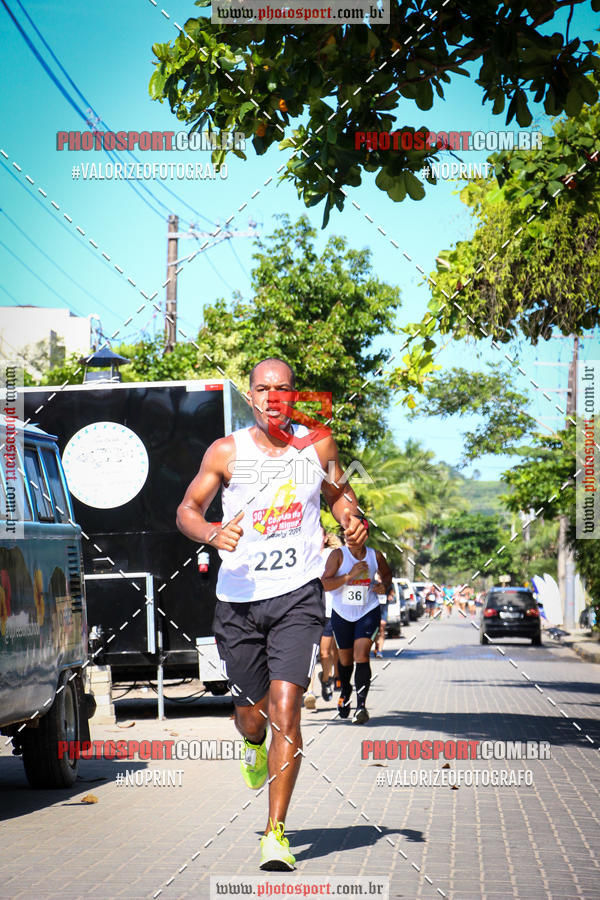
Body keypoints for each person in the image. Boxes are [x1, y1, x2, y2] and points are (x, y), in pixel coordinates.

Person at [176, 357, 367, 871]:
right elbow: (187, 510)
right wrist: (214, 532)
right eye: (262, 389)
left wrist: (351, 519)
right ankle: (252, 742)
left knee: (287, 710)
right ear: (252, 397)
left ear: (293, 395)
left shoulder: (316, 445)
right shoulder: (226, 451)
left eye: (281, 389)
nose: (271, 398)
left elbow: (340, 494)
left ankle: (274, 832)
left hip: (298, 597)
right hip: (238, 601)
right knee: (252, 717)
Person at [321, 526, 392, 724]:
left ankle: (361, 706)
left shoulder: (374, 555)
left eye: (354, 534)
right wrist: (349, 576)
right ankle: (345, 690)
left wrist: (383, 586)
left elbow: (387, 575)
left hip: (367, 610)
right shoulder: (337, 555)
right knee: (345, 661)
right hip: (342, 613)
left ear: (365, 535)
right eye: (346, 534)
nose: (349, 538)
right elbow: (325, 584)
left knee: (361, 655)